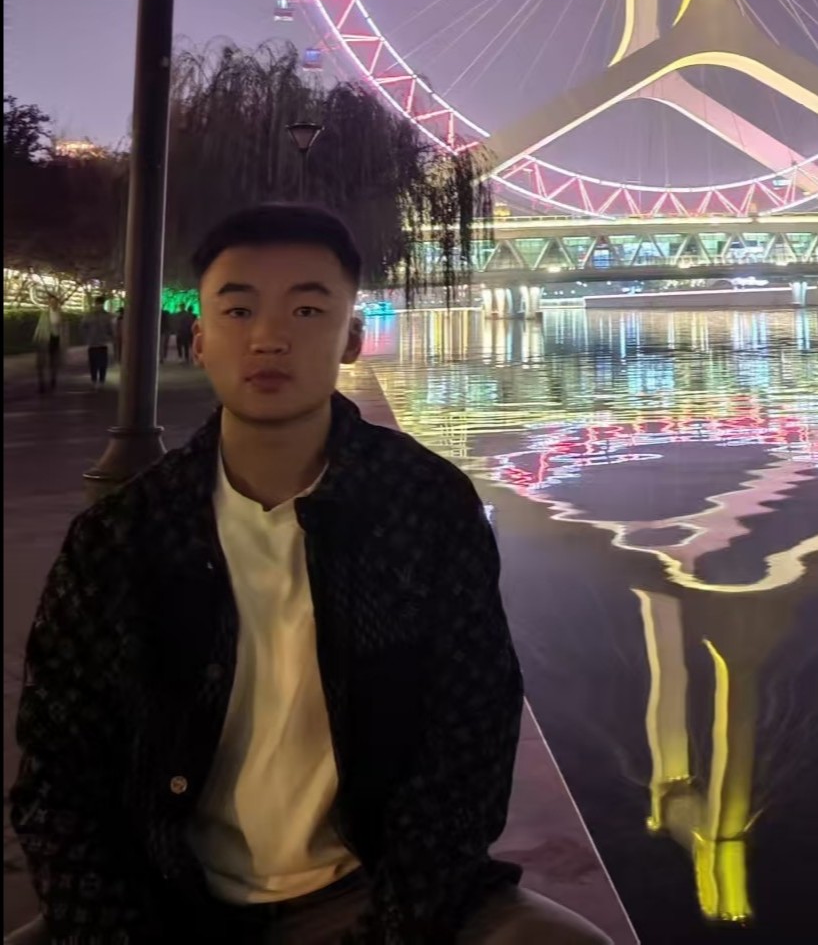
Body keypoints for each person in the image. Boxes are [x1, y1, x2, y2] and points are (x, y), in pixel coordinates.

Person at [10, 204, 611, 945]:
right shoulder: (119, 536)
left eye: (307, 309)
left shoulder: (425, 506)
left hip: (371, 888)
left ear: (351, 338)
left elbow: (469, 743)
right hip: (160, 891)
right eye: (238, 310)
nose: (269, 337)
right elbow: (58, 774)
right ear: (200, 340)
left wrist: (393, 927)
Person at [32, 293, 68, 394]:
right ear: (48, 303)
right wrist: (36, 338)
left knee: (54, 362)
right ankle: (41, 384)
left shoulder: (61, 314)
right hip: (45, 339)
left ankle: (53, 380)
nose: (53, 304)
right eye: (51, 302)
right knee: (41, 363)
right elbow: (39, 326)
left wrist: (64, 341)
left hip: (56, 339)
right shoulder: (45, 314)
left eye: (55, 302)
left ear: (57, 303)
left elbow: (64, 329)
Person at [80, 296, 115, 388]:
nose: (99, 306)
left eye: (101, 304)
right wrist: (86, 338)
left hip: (103, 343)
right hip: (92, 343)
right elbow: (83, 326)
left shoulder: (107, 316)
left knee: (103, 363)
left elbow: (110, 329)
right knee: (93, 363)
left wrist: (110, 338)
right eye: (98, 304)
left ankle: (101, 381)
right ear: (95, 304)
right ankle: (94, 380)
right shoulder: (89, 315)